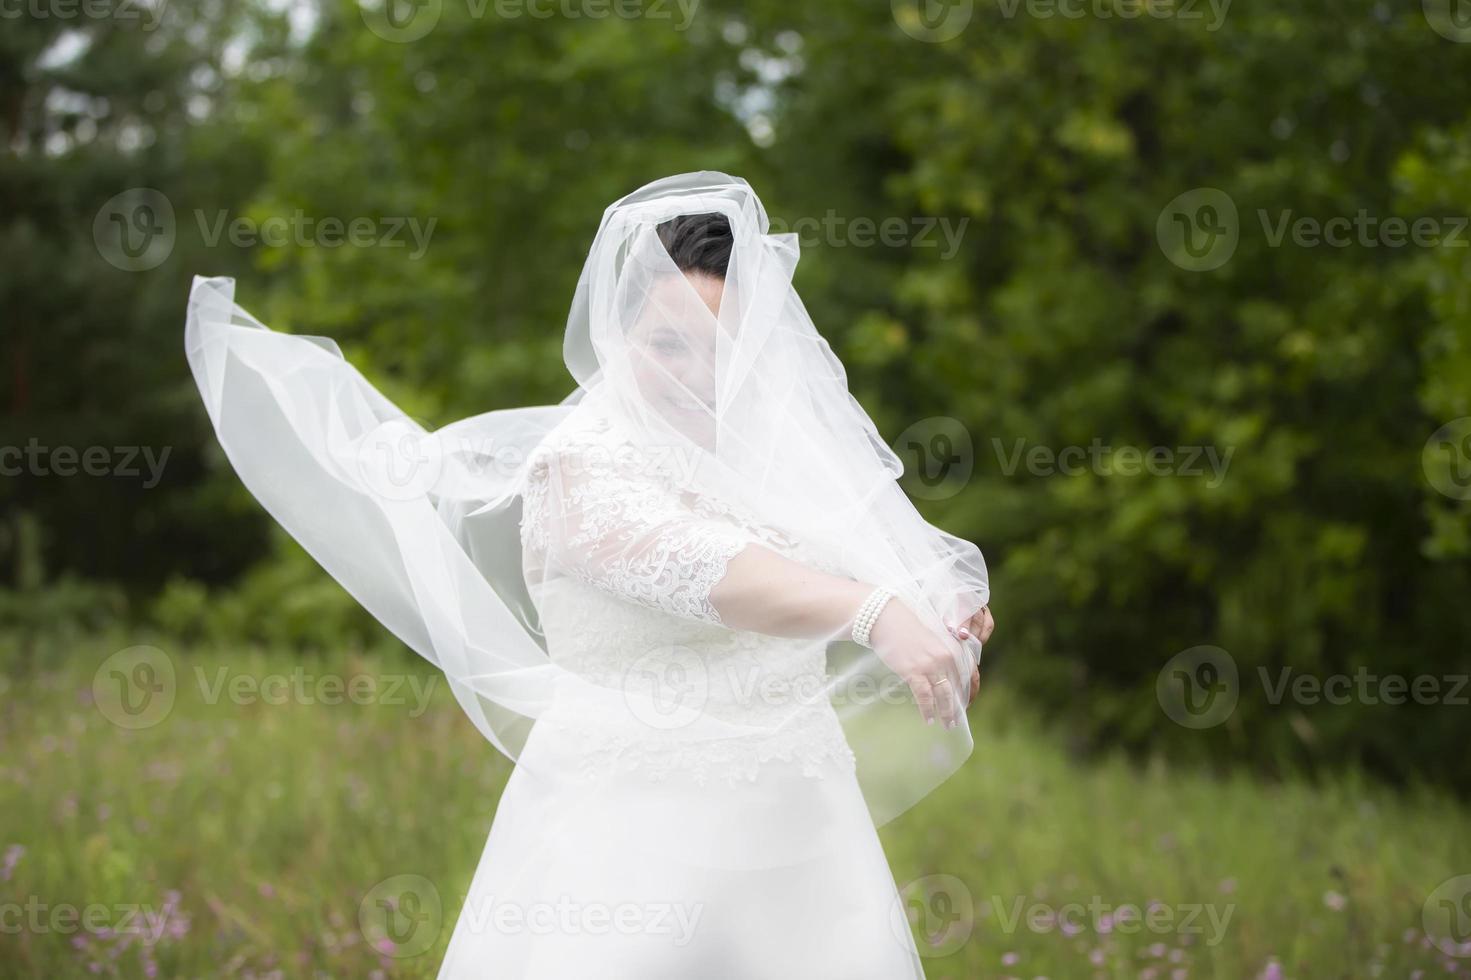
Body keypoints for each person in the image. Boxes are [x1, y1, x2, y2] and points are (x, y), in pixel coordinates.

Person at [185, 172, 992, 978]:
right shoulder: (578, 465)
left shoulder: (776, 458)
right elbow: (701, 569)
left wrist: (942, 602)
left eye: (719, 353)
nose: (690, 376)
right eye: (666, 345)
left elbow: (885, 539)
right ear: (619, 332)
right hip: (628, 841)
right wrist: (876, 611)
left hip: (803, 835)